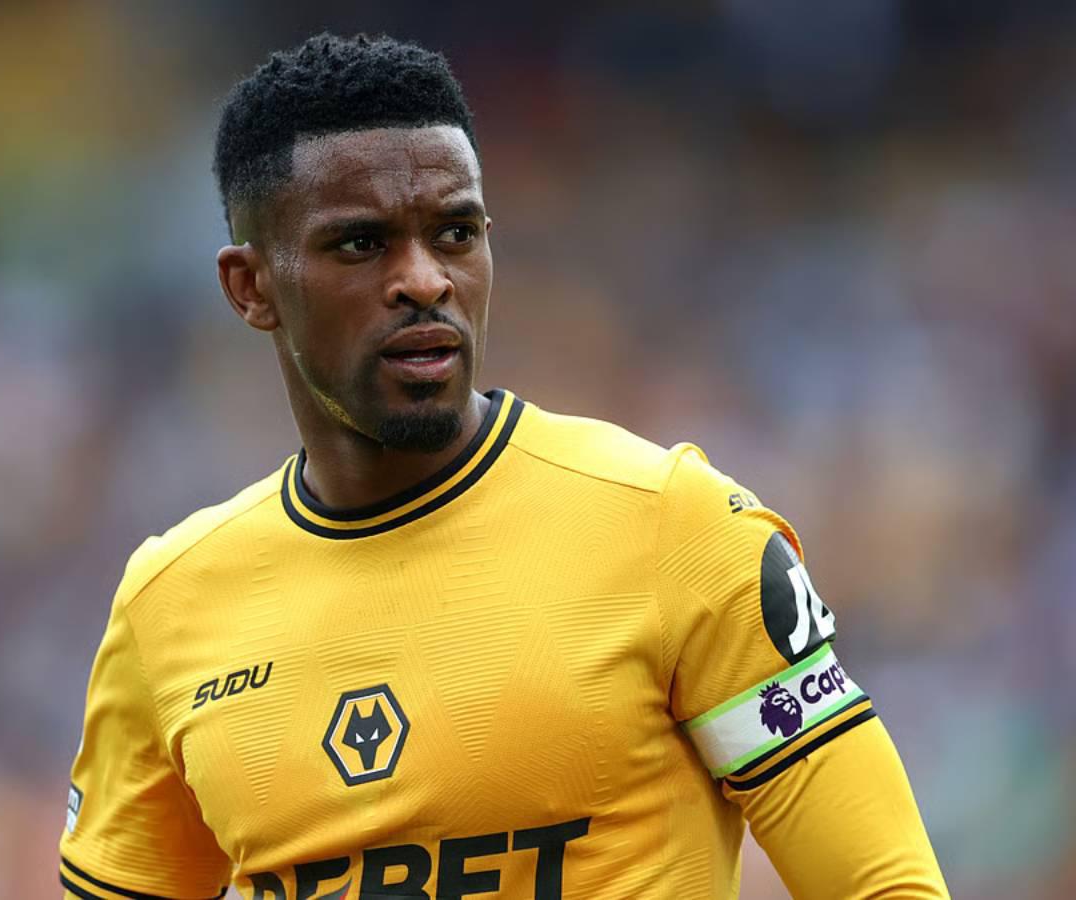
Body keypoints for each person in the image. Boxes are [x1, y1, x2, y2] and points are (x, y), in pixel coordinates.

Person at [59, 33, 948, 900]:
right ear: (250, 287)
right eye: (361, 244)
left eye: (454, 232)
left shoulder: (675, 529)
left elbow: (884, 884)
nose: (424, 281)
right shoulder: (168, 605)